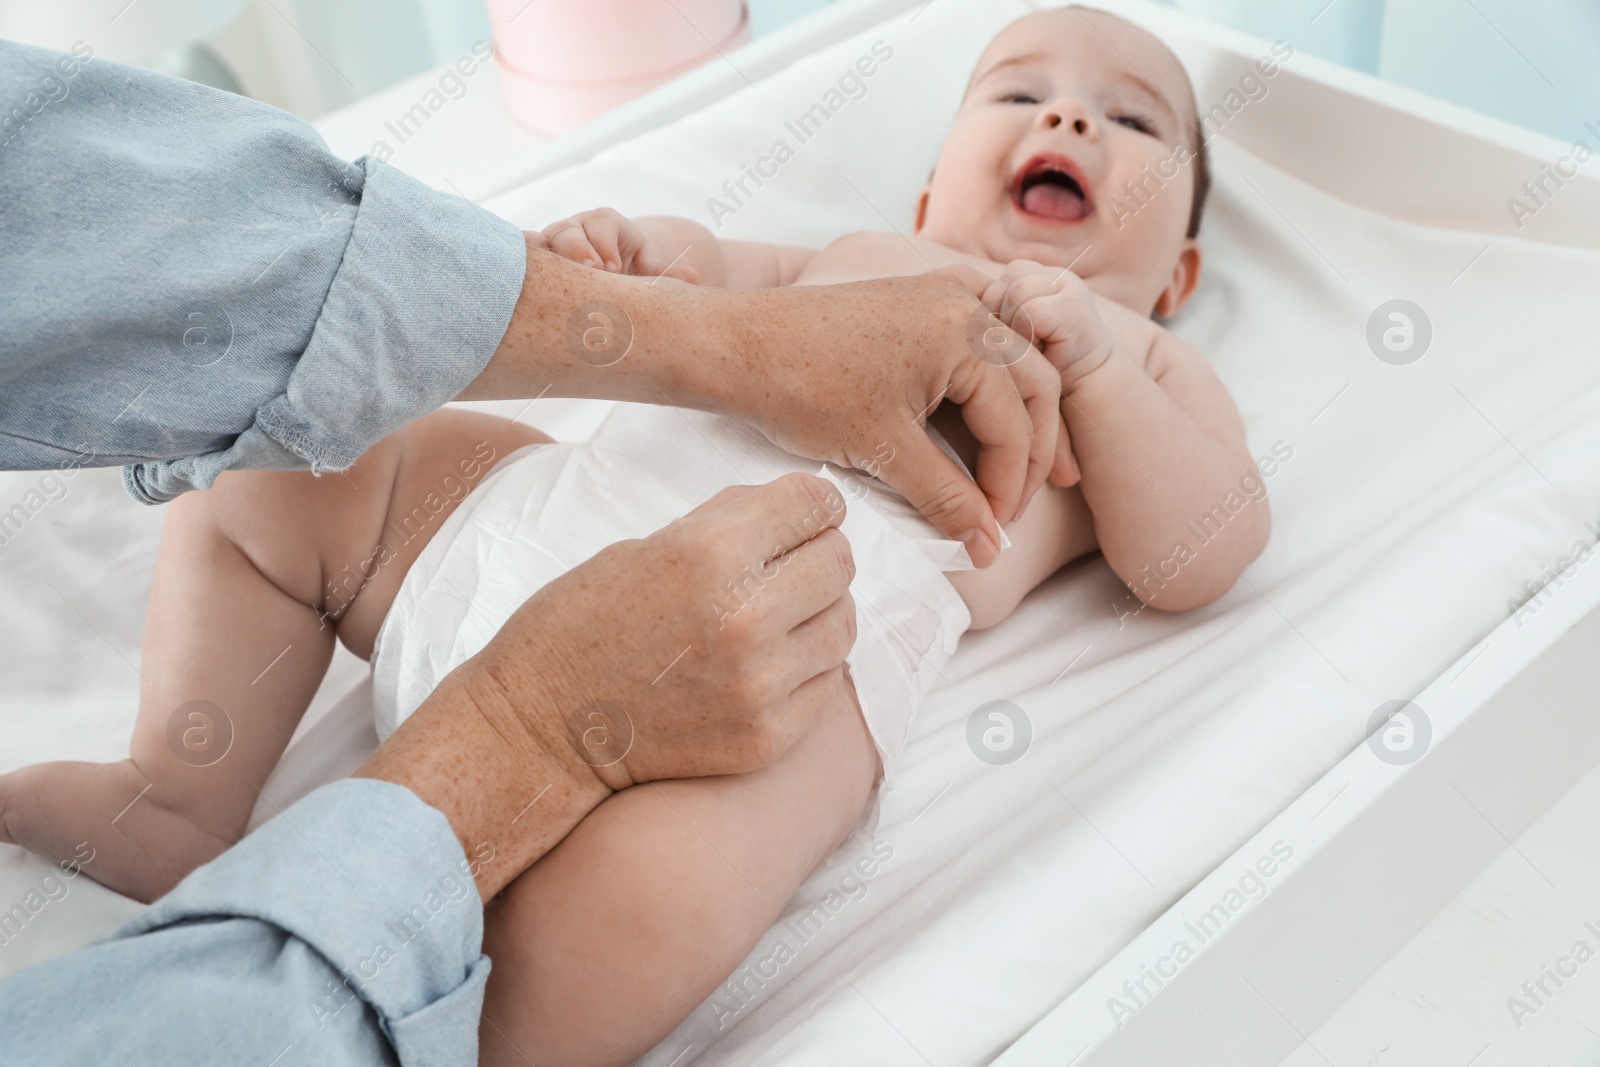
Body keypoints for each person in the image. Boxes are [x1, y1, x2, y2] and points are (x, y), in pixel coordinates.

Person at [2, 10, 1269, 1065]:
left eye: (1135, 120)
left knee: (656, 896)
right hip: (522, 523)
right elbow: (708, 280)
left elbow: (1197, 549)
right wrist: (642, 255)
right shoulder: (865, 257)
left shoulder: (1137, 363)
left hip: (785, 653)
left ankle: (491, 1037)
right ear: (934, 189)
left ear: (1178, 276)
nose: (1068, 121)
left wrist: (1099, 360)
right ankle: (182, 787)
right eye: (1020, 93)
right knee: (293, 468)